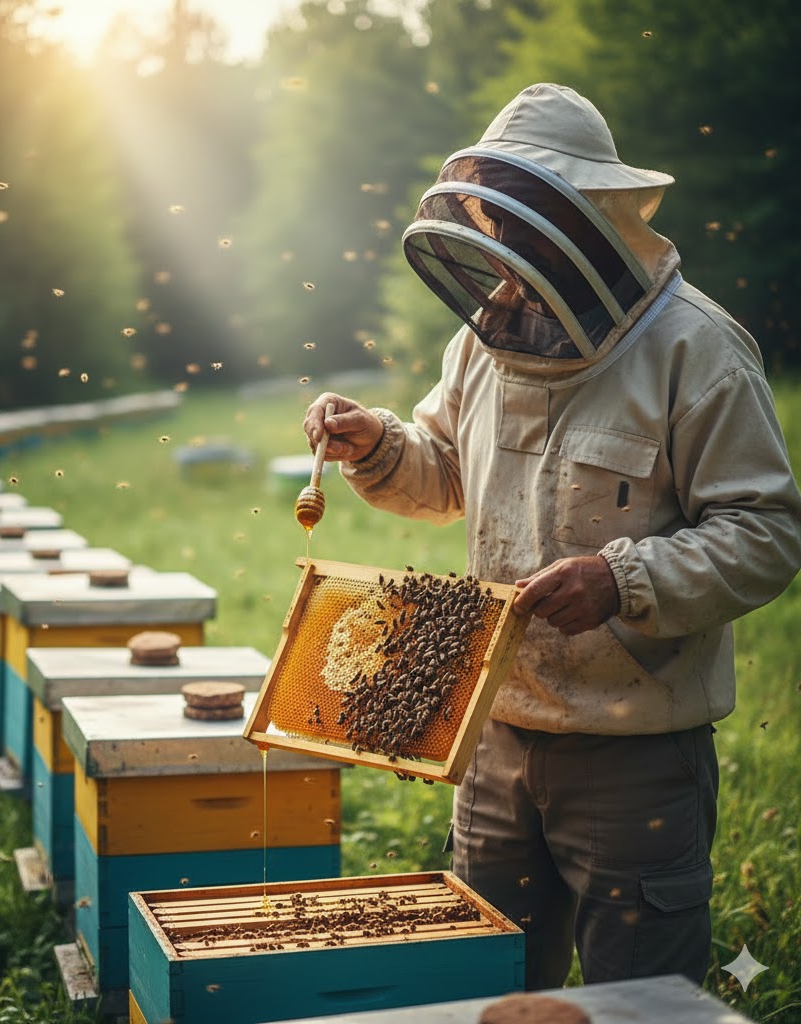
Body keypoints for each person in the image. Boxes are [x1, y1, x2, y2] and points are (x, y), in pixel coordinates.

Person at [303, 83, 801, 990]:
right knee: (488, 991)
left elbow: (765, 532)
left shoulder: (697, 350)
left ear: (588, 220)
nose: (507, 258)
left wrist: (626, 580)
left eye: (526, 228)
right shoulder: (483, 342)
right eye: (499, 226)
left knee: (639, 1003)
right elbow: (447, 473)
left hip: (637, 755)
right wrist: (381, 445)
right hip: (493, 732)